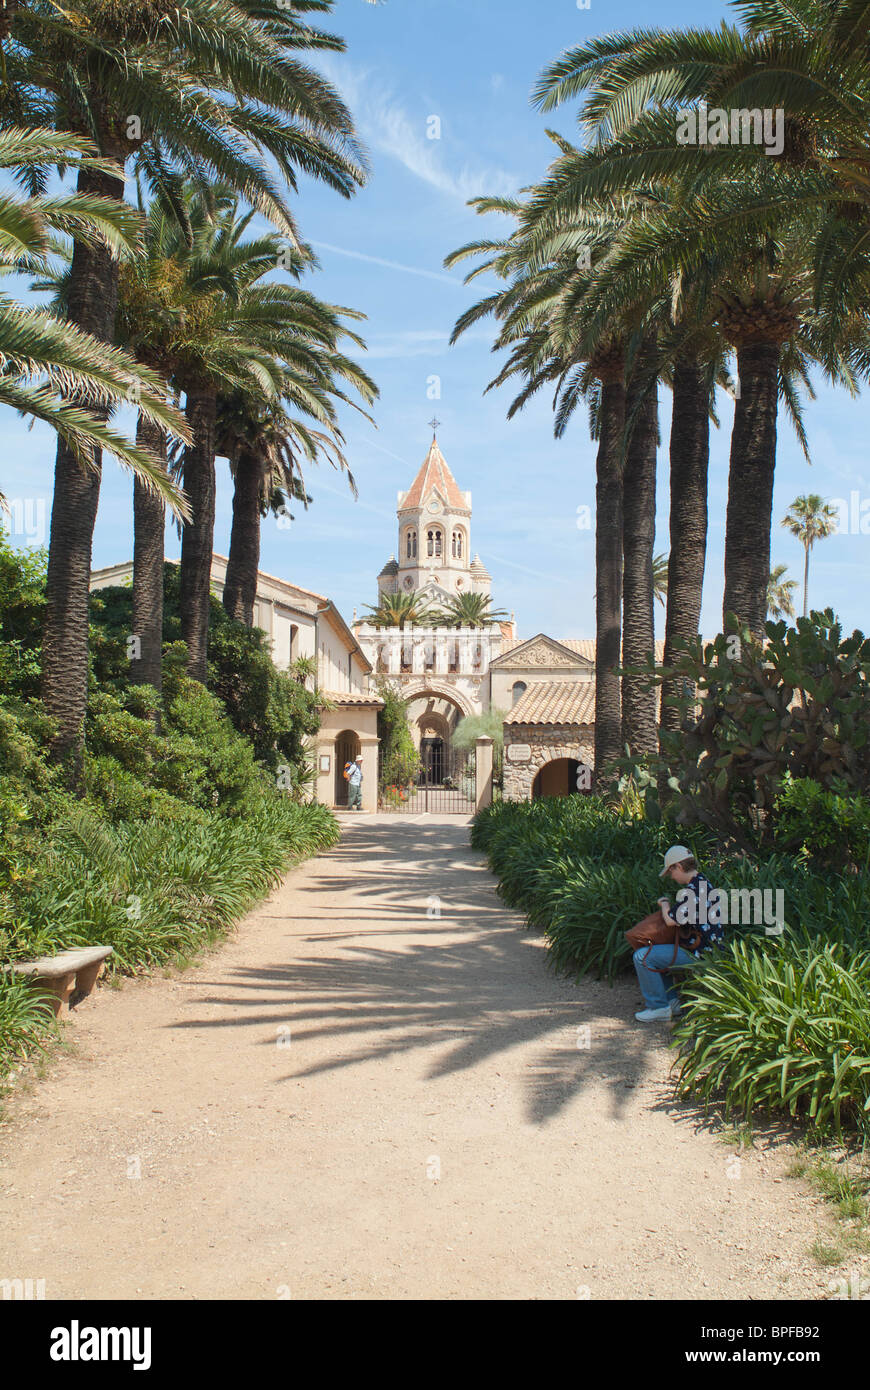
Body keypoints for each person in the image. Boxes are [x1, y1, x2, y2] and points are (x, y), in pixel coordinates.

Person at [633, 844, 724, 1022]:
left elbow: (670, 920)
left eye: (671, 872)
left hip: (700, 954)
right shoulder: (704, 882)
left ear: (679, 867)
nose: (672, 877)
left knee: (643, 956)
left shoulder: (693, 891)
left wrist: (664, 904)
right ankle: (672, 1003)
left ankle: (658, 1007)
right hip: (711, 950)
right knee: (659, 953)